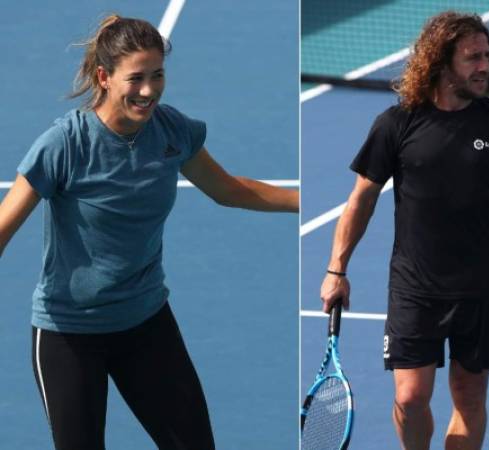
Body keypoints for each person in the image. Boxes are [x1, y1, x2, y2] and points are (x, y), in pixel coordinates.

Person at [0, 15, 298, 450]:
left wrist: (304, 202)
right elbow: (4, 225)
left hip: (145, 322)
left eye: (157, 75)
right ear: (104, 77)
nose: (148, 90)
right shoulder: (65, 145)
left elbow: (229, 190)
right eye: (136, 78)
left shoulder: (171, 131)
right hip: (69, 333)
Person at [319, 11, 489, 450]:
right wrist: (336, 269)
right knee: (411, 397)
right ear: (440, 62)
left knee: (469, 395)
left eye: (487, 56)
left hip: (485, 285)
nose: (484, 67)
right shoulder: (396, 124)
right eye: (473, 57)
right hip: (416, 286)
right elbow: (360, 199)